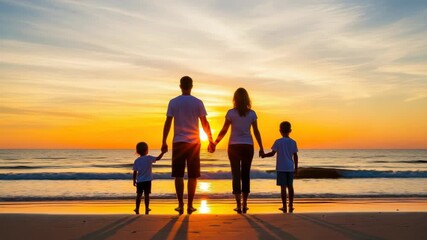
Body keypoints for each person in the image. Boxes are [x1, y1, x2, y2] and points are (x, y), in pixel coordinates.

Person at [161, 76, 214, 214]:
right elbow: (204, 122)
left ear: (180, 86)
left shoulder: (173, 102)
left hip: (178, 142)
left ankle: (180, 204)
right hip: (194, 143)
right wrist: (210, 139)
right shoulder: (197, 102)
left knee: (178, 175)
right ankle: (190, 205)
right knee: (192, 176)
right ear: (191, 86)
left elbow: (168, 122)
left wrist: (164, 141)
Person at [212, 88, 264, 214]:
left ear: (235, 99)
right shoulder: (252, 113)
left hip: (234, 146)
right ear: (247, 99)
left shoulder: (231, 113)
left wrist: (215, 143)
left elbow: (224, 130)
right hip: (247, 146)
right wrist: (261, 147)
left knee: (236, 175)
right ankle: (245, 204)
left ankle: (238, 204)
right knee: (245, 174)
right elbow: (256, 131)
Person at [261, 121, 298, 213]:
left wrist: (264, 155)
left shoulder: (278, 142)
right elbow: (295, 155)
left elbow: (273, 153)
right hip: (290, 167)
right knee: (290, 186)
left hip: (281, 167)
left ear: (280, 130)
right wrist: (296, 168)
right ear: (290, 130)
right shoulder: (293, 142)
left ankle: (284, 206)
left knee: (283, 187)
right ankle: (291, 205)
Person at [133, 142, 165, 215]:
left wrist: (134, 180)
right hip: (147, 180)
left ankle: (137, 208)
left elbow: (135, 172)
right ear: (147, 150)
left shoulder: (137, 161)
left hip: (140, 181)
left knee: (139, 195)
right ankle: (147, 207)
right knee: (147, 195)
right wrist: (163, 153)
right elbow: (158, 158)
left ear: (137, 151)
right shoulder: (149, 158)